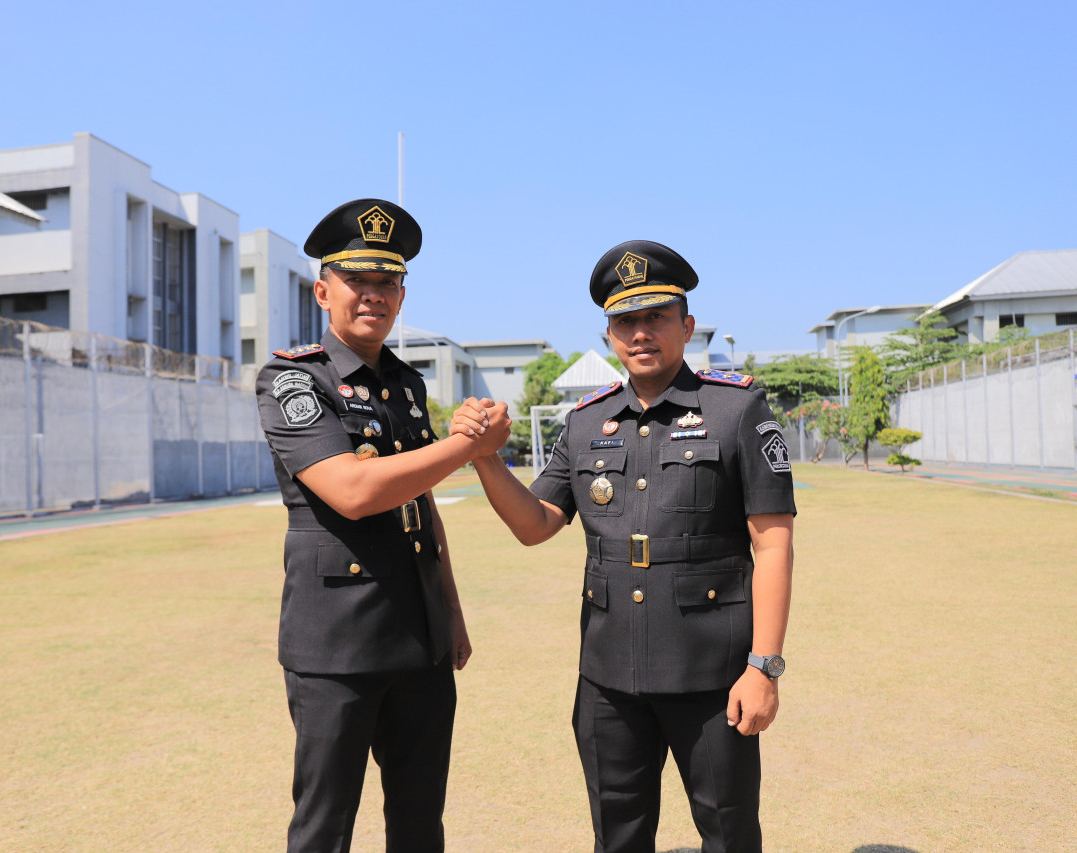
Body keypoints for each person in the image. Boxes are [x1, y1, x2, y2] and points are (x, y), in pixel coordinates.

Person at [452, 240, 796, 852]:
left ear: (686, 327)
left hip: (712, 678)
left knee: (730, 832)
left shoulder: (736, 409)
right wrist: (485, 460)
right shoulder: (586, 423)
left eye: (656, 317)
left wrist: (763, 666)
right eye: (625, 321)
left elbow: (772, 545)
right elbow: (535, 524)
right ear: (609, 334)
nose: (641, 333)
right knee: (617, 837)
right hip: (608, 678)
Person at [255, 198, 509, 852]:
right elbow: (354, 490)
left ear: (402, 294)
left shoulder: (405, 384)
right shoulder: (292, 379)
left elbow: (419, 502)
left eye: (386, 283)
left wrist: (450, 608)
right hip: (335, 646)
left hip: (419, 640)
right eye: (356, 280)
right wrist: (468, 446)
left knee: (420, 823)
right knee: (323, 827)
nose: (373, 295)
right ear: (322, 290)